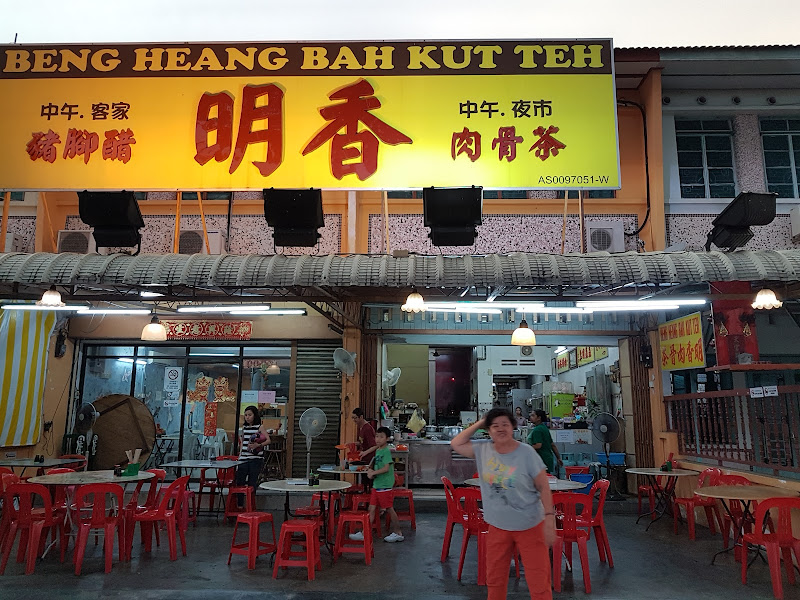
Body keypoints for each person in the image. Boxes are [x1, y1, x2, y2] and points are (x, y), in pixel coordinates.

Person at [451, 408, 555, 600]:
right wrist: (482, 422)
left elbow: (543, 486)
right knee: (495, 581)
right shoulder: (483, 449)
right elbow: (456, 443)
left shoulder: (527, 452)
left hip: (530, 525)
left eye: (505, 425)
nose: (500, 429)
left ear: (513, 427)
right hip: (498, 526)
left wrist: (550, 518)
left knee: (539, 582)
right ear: (488, 430)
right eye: (495, 426)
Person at [349, 426, 404, 543]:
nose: (378, 439)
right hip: (377, 484)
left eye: (381, 437)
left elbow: (385, 468)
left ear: (387, 439)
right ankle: (365, 533)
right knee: (371, 508)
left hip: (385, 485)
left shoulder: (386, 451)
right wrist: (370, 469)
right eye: (377, 436)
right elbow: (375, 463)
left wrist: (373, 472)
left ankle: (398, 532)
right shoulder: (378, 450)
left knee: (389, 508)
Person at [235, 405, 270, 506]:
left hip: (255, 458)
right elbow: (242, 443)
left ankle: (251, 504)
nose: (247, 417)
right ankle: (240, 504)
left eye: (250, 415)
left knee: (252, 482)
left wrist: (258, 445)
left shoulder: (260, 427)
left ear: (255, 415)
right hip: (244, 458)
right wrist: (240, 456)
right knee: (240, 481)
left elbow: (268, 440)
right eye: (246, 415)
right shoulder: (244, 428)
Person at [527, 409, 563, 475]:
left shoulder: (537, 430)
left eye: (533, 415)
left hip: (541, 459)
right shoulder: (544, 428)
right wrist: (558, 458)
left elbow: (538, 445)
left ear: (539, 418)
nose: (530, 417)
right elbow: (552, 445)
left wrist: (526, 448)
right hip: (548, 458)